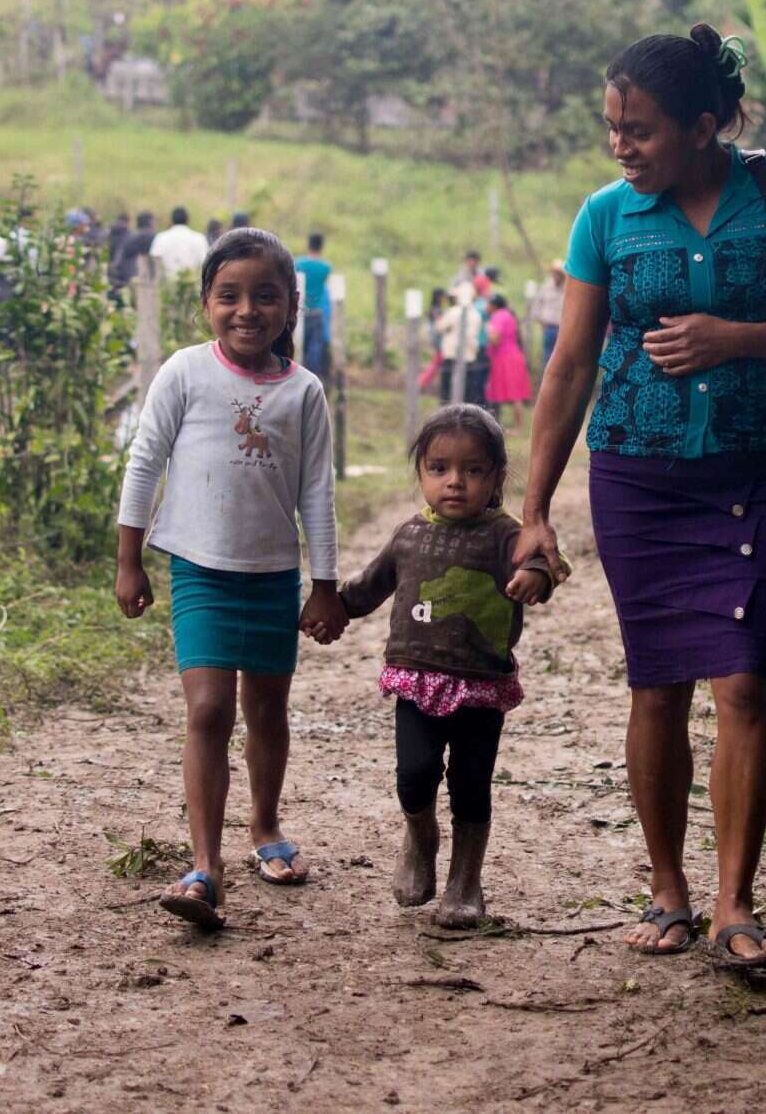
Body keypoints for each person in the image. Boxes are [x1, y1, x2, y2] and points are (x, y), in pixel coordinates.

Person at [514, 24, 766, 974]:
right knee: (658, 683)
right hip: (637, 471)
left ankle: (734, 900)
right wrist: (536, 505)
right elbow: (572, 365)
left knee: (746, 680)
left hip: (756, 466)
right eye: (611, 128)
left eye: (638, 129)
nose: (620, 146)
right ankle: (668, 887)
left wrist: (734, 338)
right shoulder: (605, 216)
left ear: (704, 125)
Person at [113, 227, 346, 930]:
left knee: (267, 711)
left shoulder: (305, 392)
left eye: (265, 296)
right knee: (209, 709)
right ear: (206, 303)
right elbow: (144, 462)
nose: (248, 310)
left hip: (272, 576)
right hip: (199, 572)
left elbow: (317, 495)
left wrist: (324, 582)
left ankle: (266, 825)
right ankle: (205, 866)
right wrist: (129, 558)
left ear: (291, 305)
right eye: (230, 295)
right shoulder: (185, 372)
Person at [339, 405, 558, 928]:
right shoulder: (409, 536)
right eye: (439, 469)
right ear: (421, 474)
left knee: (471, 781)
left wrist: (536, 577)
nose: (455, 482)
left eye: (473, 470)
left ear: (497, 477)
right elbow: (369, 586)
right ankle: (420, 837)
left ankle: (465, 879)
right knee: (413, 775)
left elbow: (544, 561)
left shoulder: (506, 535)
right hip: (416, 682)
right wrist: (331, 607)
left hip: (482, 686)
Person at [483, 293, 533, 428]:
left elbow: (495, 339)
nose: (485, 306)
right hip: (514, 356)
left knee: (510, 393)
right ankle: (517, 426)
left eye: (487, 303)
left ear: (494, 305)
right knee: (514, 393)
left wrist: (487, 329)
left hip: (504, 358)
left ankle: (509, 426)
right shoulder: (508, 315)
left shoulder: (497, 316)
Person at [295, 232, 333, 380]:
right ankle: (313, 377)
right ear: (321, 247)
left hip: (301, 310)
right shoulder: (325, 267)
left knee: (299, 344)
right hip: (317, 311)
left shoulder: (298, 263)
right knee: (314, 347)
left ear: (308, 244)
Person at [149, 206, 208, 277]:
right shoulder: (199, 238)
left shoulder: (161, 237)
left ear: (171, 220)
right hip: (192, 283)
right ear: (188, 219)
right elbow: (205, 262)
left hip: (168, 284)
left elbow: (156, 261)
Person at [531, 261, 567, 367]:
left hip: (563, 329)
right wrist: (542, 323)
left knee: (562, 358)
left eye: (559, 273)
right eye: (555, 273)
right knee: (547, 357)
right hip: (549, 328)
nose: (557, 275)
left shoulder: (567, 288)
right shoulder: (546, 287)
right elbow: (536, 307)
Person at [112, 210, 156, 291]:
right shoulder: (148, 236)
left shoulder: (130, 236)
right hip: (135, 280)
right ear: (149, 222)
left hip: (123, 278)